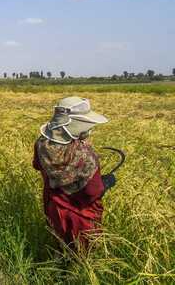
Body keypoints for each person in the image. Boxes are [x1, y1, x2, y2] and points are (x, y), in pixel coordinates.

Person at [33, 97, 116, 252]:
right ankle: (73, 275)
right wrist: (106, 183)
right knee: (80, 257)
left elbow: (36, 165)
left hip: (53, 207)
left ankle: (54, 271)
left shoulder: (41, 144)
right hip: (79, 215)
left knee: (61, 246)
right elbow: (93, 192)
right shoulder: (86, 154)